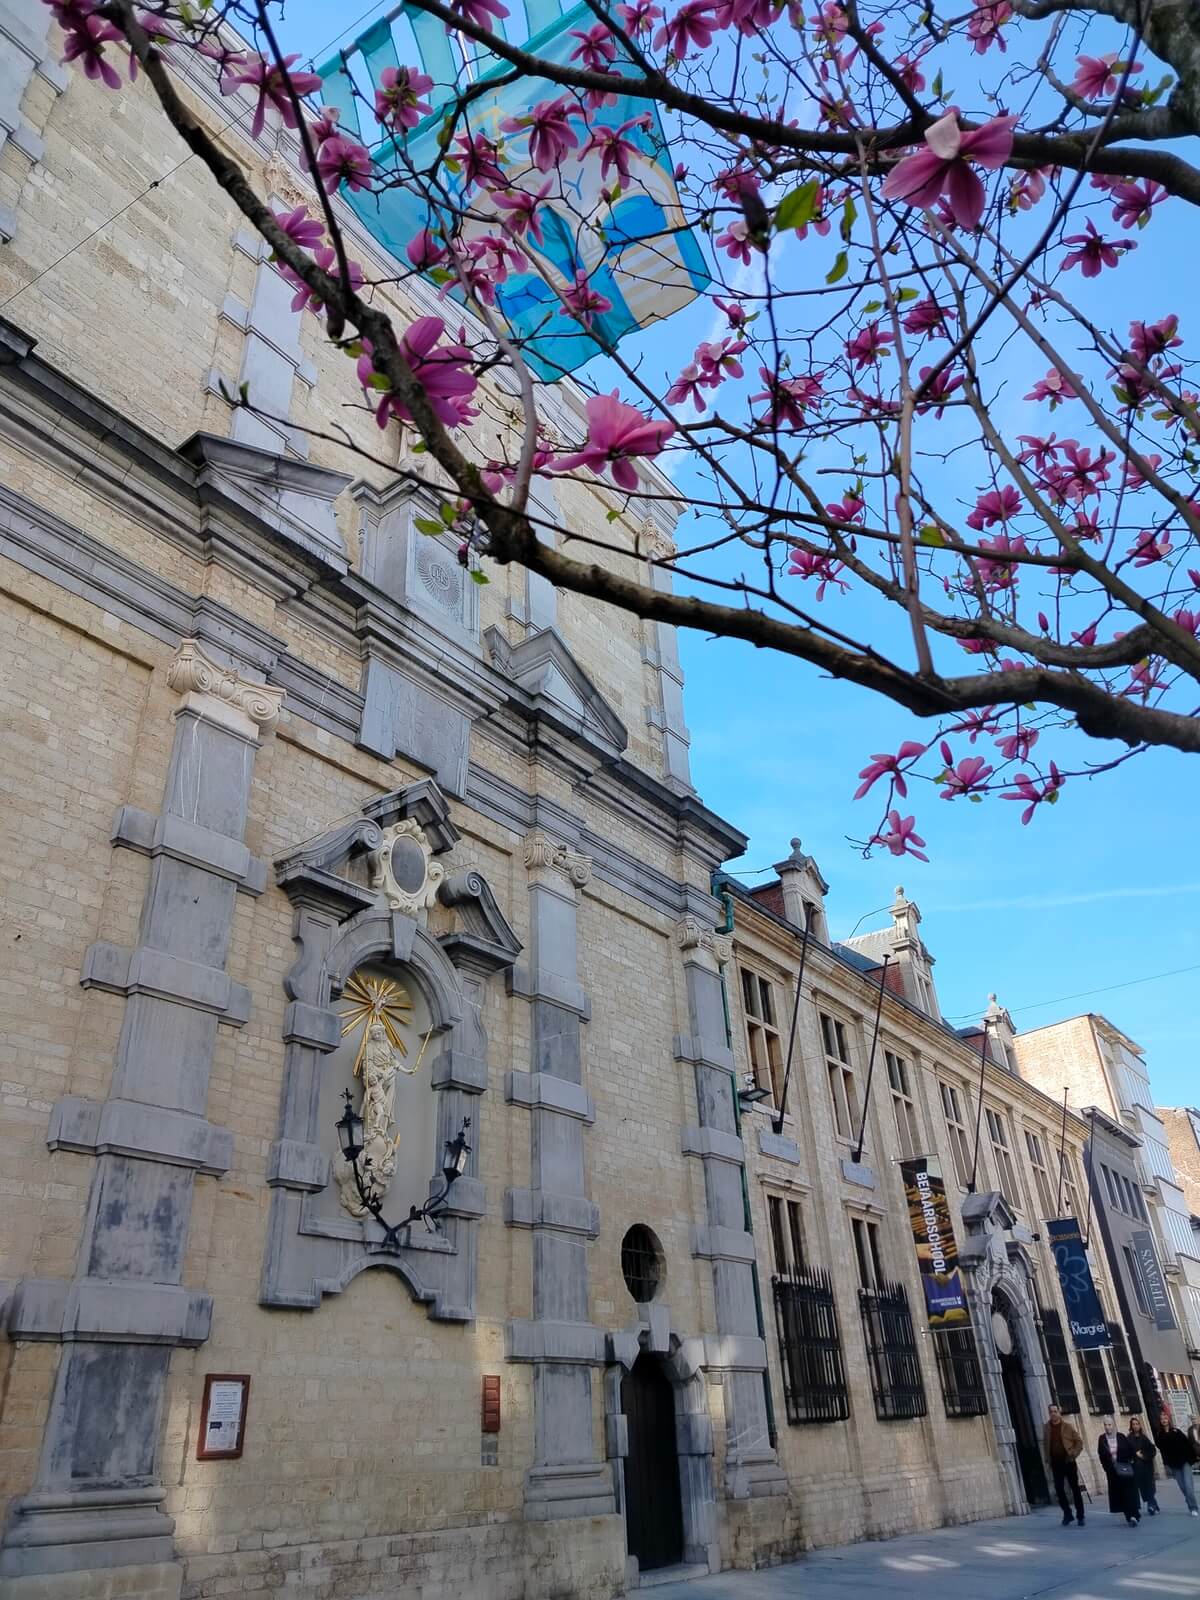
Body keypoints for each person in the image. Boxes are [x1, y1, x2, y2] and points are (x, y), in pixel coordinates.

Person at [1043, 1403, 1086, 1526]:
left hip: (1069, 1461)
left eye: (1055, 1411)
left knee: (1075, 1489)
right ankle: (1067, 1514)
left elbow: (1079, 1442)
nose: (1053, 1413)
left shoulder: (1068, 1426)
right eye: (1051, 1411)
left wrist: (1073, 1454)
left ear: (1059, 1412)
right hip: (1056, 1463)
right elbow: (1045, 1444)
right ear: (1049, 1413)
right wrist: (1047, 1459)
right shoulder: (1046, 1428)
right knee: (1059, 1489)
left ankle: (1080, 1515)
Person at [1098, 1416, 1140, 1525]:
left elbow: (1131, 1451)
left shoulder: (1121, 1437)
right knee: (1121, 1494)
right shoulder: (1102, 1439)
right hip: (1113, 1472)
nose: (1107, 1427)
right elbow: (1101, 1455)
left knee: (1129, 1493)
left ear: (1113, 1425)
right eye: (1105, 1425)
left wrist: (1131, 1463)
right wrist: (1106, 1468)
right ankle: (1129, 1516)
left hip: (1125, 1469)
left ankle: (1134, 1515)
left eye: (1109, 1424)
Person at [1156, 1409, 1199, 1515]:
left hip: (1184, 1462)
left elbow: (1187, 1444)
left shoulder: (1176, 1431)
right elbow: (1162, 1451)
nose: (1164, 1420)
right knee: (1183, 1487)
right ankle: (1189, 1500)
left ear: (1169, 1420)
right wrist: (1167, 1464)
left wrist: (1192, 1458)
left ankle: (1193, 1508)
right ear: (1160, 1422)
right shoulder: (1160, 1435)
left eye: (1165, 1418)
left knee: (1188, 1486)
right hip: (1174, 1464)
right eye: (1162, 1419)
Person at [1127, 1417, 1159, 1515]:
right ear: (1131, 1426)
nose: (1135, 1426)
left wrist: (1143, 1455)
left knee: (1149, 1487)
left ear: (1140, 1425)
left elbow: (1152, 1450)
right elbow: (1127, 1451)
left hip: (1146, 1467)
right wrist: (1133, 1456)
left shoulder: (1144, 1437)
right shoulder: (1129, 1438)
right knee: (1142, 1488)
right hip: (1135, 1468)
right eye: (1133, 1424)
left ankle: (1151, 1506)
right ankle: (1153, 1505)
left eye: (1137, 1424)